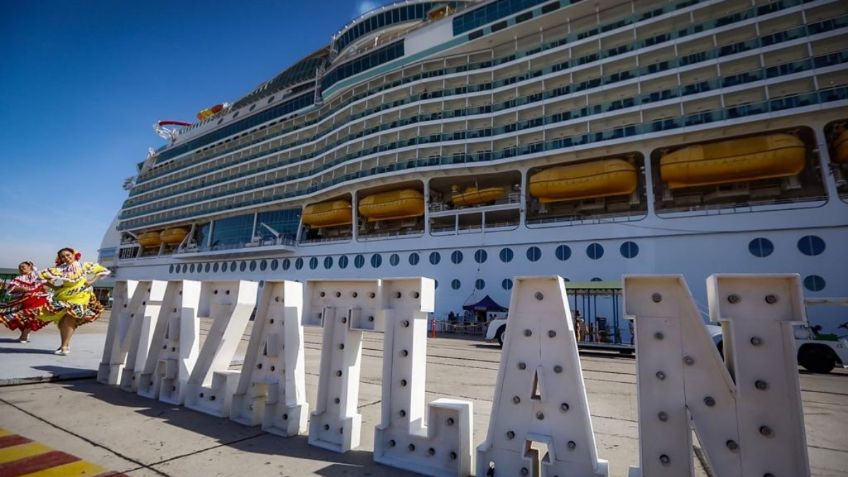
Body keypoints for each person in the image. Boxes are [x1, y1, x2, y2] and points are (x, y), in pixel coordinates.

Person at [39, 248, 110, 355]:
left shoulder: (83, 265)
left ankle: (64, 347)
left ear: (73, 254)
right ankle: (65, 345)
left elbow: (102, 270)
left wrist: (91, 281)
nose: (66, 258)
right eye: (63, 256)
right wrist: (54, 287)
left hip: (81, 295)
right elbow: (40, 277)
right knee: (62, 322)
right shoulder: (59, 269)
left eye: (68, 255)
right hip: (64, 295)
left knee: (70, 317)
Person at [0, 261, 50, 342]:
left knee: (30, 316)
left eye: (23, 266)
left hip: (37, 299)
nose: (21, 268)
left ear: (30, 267)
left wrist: (41, 289)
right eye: (20, 267)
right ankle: (25, 334)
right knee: (16, 316)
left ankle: (24, 335)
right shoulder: (18, 278)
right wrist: (21, 289)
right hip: (22, 300)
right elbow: (11, 289)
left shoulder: (38, 276)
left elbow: (47, 286)